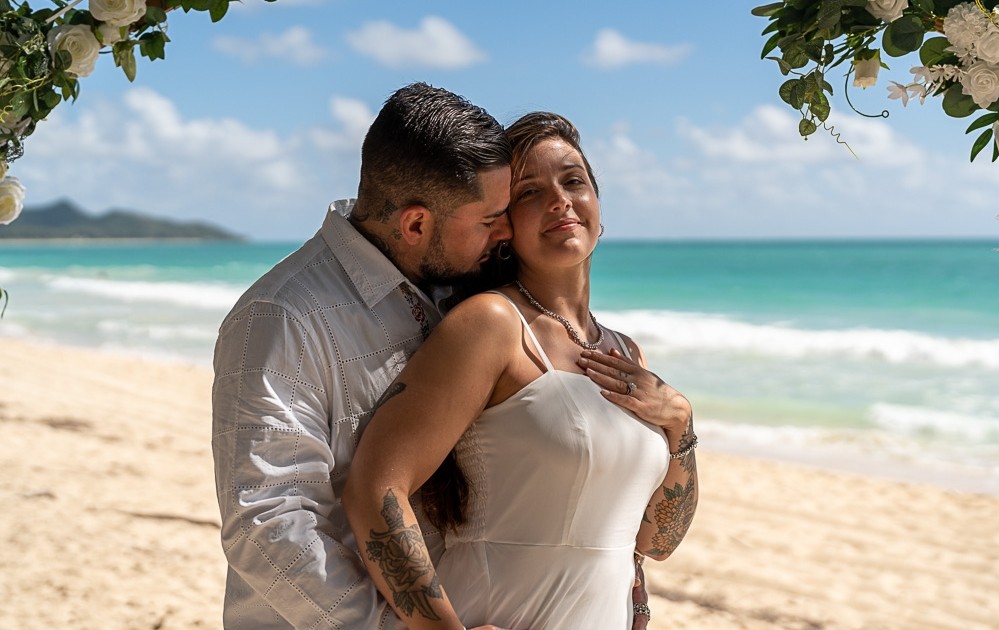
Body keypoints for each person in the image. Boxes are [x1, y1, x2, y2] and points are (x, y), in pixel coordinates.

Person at [343, 112, 699, 629]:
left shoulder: (627, 353)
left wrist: (682, 426)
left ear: (598, 203)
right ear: (504, 225)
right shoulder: (491, 325)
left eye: (573, 181)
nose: (560, 200)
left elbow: (656, 542)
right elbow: (375, 486)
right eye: (530, 191)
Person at [211, 82, 514, 629]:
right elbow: (267, 521)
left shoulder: (461, 297)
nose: (506, 232)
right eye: (491, 220)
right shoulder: (282, 315)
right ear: (416, 224)